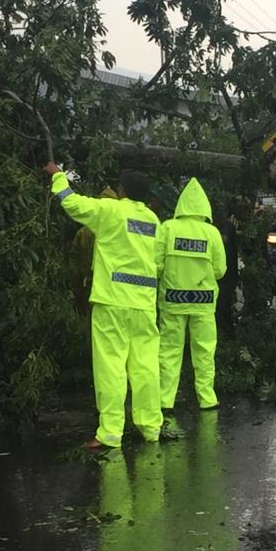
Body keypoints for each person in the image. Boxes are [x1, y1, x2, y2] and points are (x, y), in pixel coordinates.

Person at [46, 161, 162, 449]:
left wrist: (57, 176)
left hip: (112, 300)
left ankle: (110, 433)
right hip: (144, 303)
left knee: (111, 366)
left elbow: (71, 203)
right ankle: (150, 428)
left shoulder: (110, 210)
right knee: (145, 366)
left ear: (121, 191)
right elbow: (158, 263)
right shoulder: (153, 222)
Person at [157, 177, 226, 416]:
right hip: (204, 302)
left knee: (168, 351)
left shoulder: (167, 228)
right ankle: (207, 398)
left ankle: (165, 399)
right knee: (205, 351)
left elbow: (156, 265)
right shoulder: (212, 233)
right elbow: (220, 270)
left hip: (173, 300)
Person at [69, 187, 118, 318]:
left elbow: (75, 260)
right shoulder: (119, 232)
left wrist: (77, 286)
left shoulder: (85, 231)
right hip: (109, 286)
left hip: (91, 284)